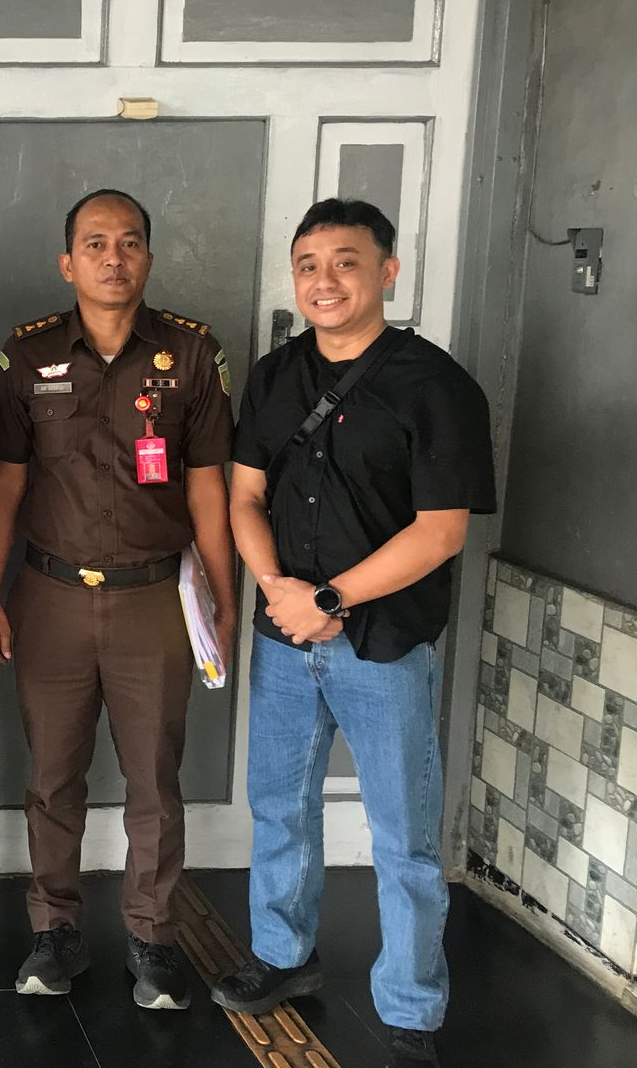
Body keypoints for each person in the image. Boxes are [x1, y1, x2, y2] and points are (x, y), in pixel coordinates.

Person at [213, 198, 494, 1068]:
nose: (324, 280)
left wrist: (328, 599)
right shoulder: (275, 376)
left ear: (387, 271)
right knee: (280, 807)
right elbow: (244, 495)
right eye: (308, 264)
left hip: (385, 646)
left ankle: (411, 1009)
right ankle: (282, 956)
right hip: (285, 639)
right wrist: (276, 589)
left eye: (346, 261)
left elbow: (441, 531)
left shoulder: (437, 386)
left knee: (403, 834)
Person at [0, 188, 236, 1009]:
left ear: (148, 257)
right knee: (52, 777)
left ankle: (153, 937)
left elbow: (209, 489)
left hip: (154, 601)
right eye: (95, 243)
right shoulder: (27, 356)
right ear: (68, 262)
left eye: (128, 242)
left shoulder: (192, 354)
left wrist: (225, 600)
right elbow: (4, 489)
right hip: (49, 596)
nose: (113, 258)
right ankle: (54, 931)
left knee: (155, 780)